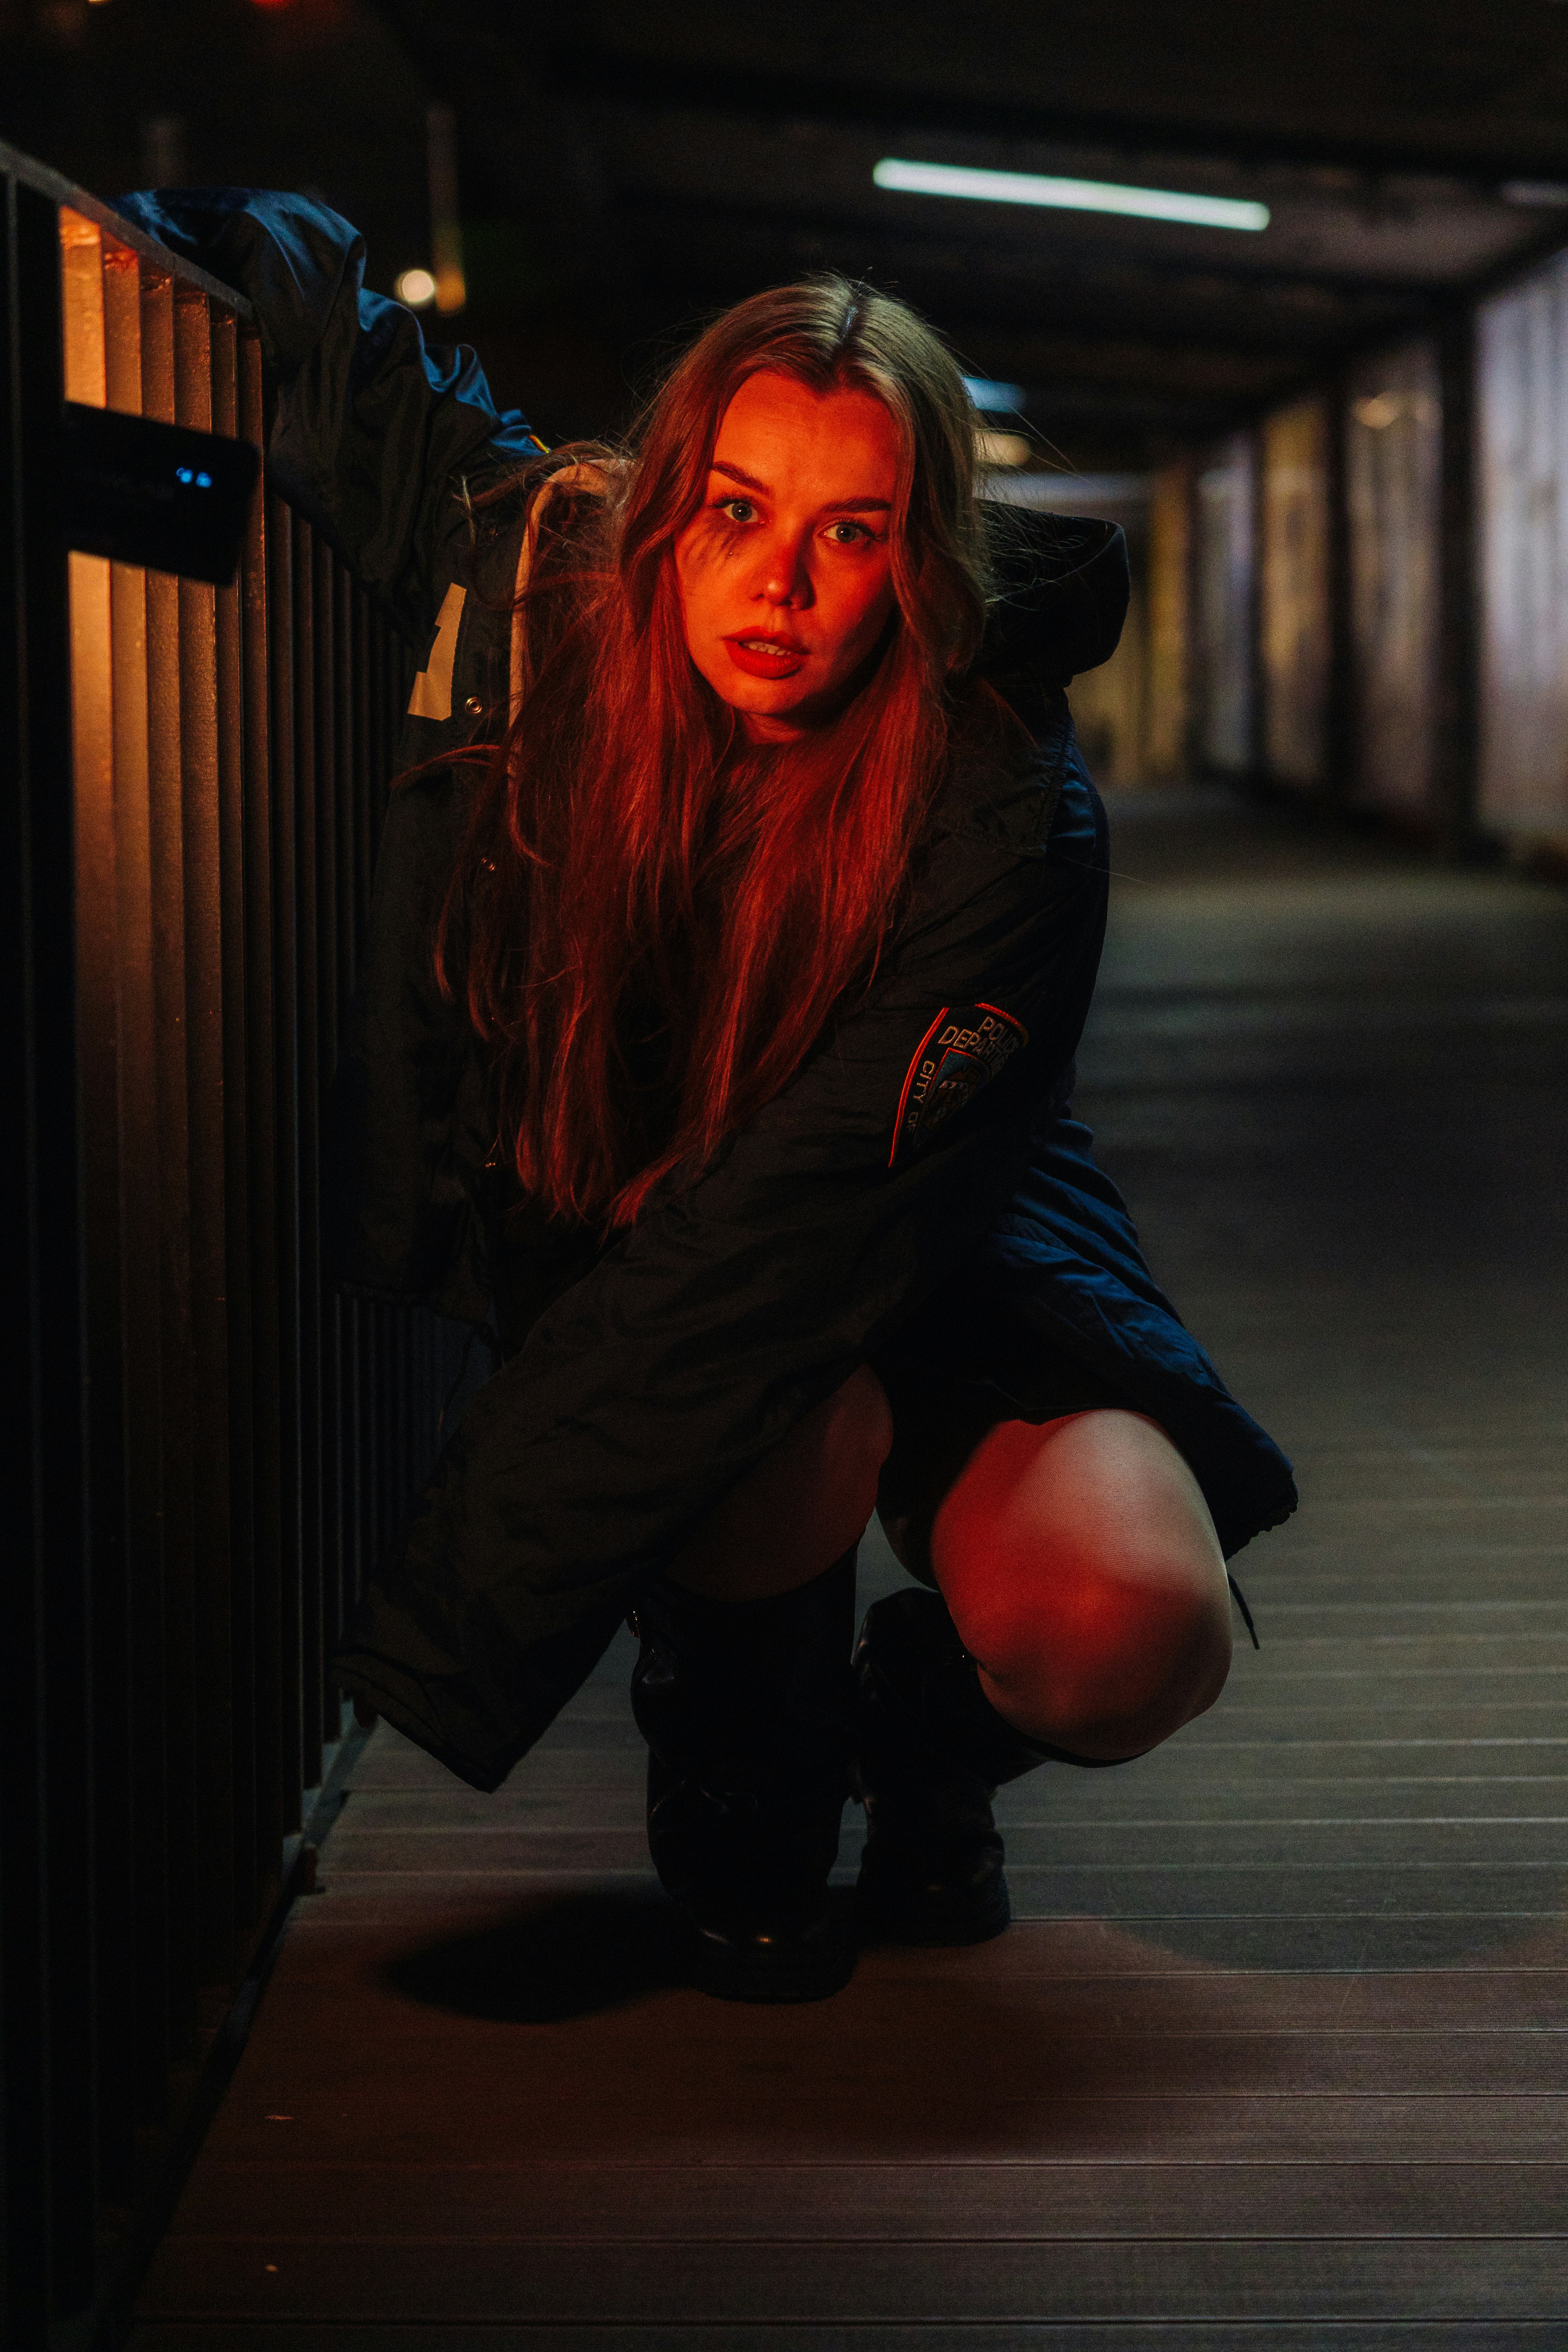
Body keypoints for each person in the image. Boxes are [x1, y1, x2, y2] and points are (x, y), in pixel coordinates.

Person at [122, 188, 1296, 2002]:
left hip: (934, 1232)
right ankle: (753, 1796)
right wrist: (181, 230)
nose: (782, 586)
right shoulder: (539, 595)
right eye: (738, 517)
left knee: (1135, 1623)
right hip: (684, 1275)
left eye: (854, 532)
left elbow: (800, 1228)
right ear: (667, 515)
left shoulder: (1002, 803)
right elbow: (355, 349)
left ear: (918, 560)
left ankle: (902, 1751)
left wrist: (462, 1609)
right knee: (782, 1424)